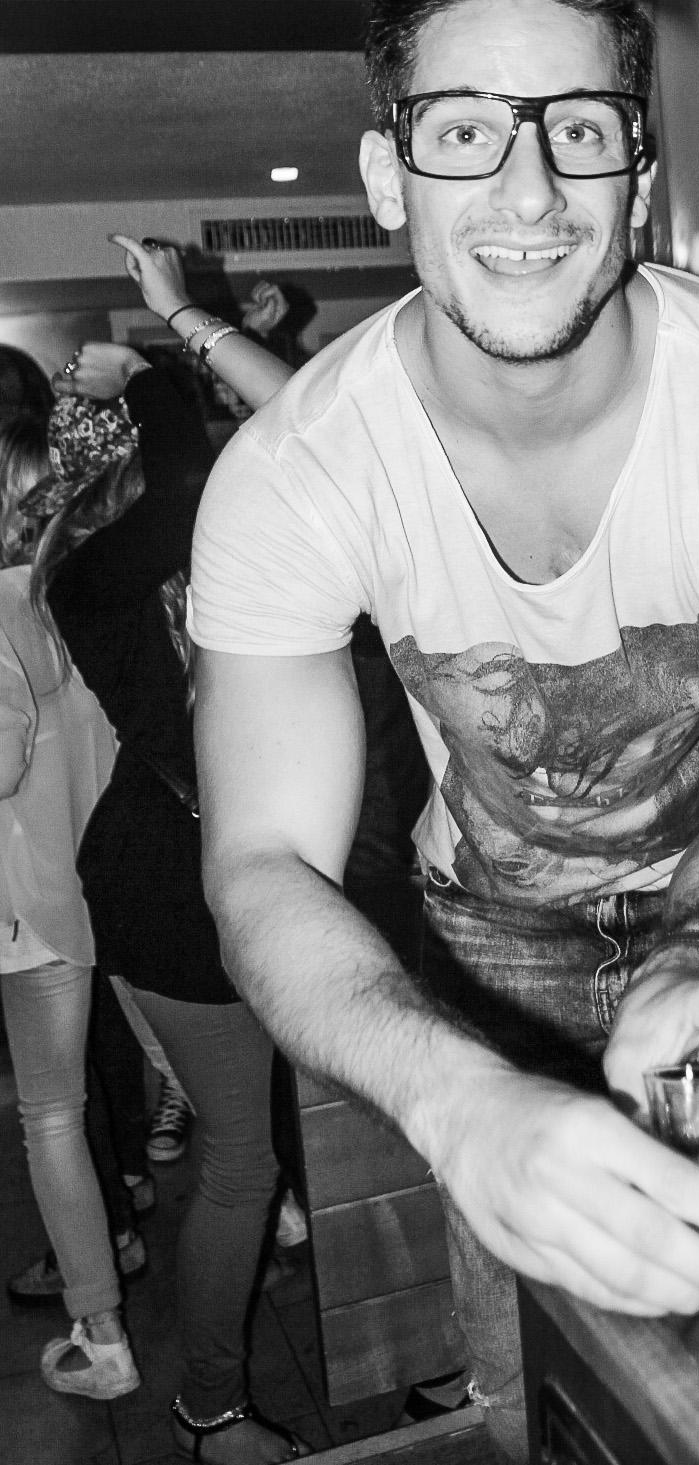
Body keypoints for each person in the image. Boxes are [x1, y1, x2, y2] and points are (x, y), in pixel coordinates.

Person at [188, 0, 699, 1464]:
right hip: (491, 953)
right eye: (463, 131)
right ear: (387, 173)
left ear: (638, 170)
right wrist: (459, 1101)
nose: (526, 193)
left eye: (577, 128)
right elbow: (259, 861)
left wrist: (698, 953)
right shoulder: (292, 476)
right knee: (537, 1386)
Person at [26, 237, 308, 1462]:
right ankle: (209, 1407)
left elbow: (275, 453)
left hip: (227, 859)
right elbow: (196, 467)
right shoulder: (90, 577)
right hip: (165, 883)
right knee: (240, 1158)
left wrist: (225, 346)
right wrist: (152, 353)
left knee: (265, 1142)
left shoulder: (197, 561)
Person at [0, 411, 140, 1401]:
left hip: (32, 901)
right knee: (174, 1062)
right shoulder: (92, 592)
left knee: (52, 1116)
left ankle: (105, 1337)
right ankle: (286, 1215)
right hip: (116, 878)